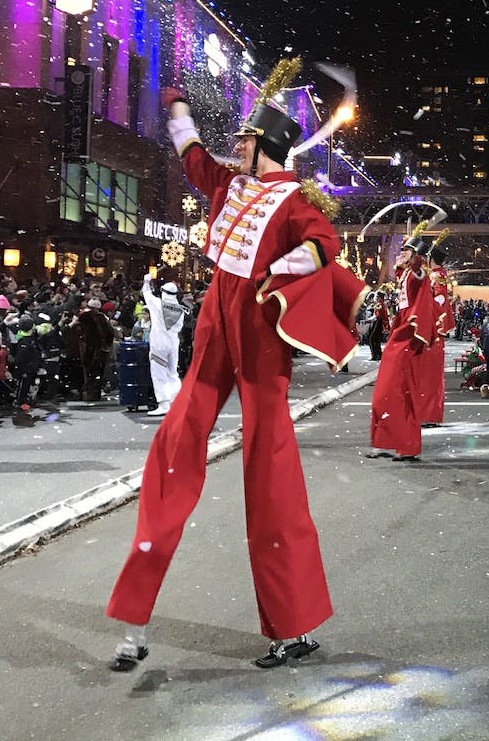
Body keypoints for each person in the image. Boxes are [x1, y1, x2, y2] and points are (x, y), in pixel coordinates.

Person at [107, 77, 367, 671]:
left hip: (258, 344)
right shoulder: (228, 184)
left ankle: (291, 623)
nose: (235, 146)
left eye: (244, 139)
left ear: (262, 146)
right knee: (172, 455)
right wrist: (176, 108)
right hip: (212, 337)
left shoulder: (296, 201)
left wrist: (278, 267)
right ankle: (134, 618)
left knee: (270, 474)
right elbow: (190, 152)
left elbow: (324, 245)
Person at [368, 225, 438, 459]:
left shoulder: (418, 273)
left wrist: (415, 249)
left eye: (406, 250)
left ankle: (406, 445)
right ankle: (385, 441)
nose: (402, 253)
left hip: (408, 339)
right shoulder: (405, 275)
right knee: (385, 392)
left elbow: (419, 273)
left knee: (402, 392)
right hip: (398, 337)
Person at [140, 273, 187, 417]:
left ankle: (163, 404)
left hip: (159, 344)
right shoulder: (181, 309)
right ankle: (177, 402)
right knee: (172, 373)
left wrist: (147, 280)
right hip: (173, 344)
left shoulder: (157, 304)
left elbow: (146, 293)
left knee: (159, 373)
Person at [418, 235, 452, 429]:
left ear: (431, 259)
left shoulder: (436, 276)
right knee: (431, 376)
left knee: (430, 376)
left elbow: (439, 300)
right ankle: (430, 413)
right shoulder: (439, 274)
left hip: (433, 330)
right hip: (434, 329)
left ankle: (429, 414)